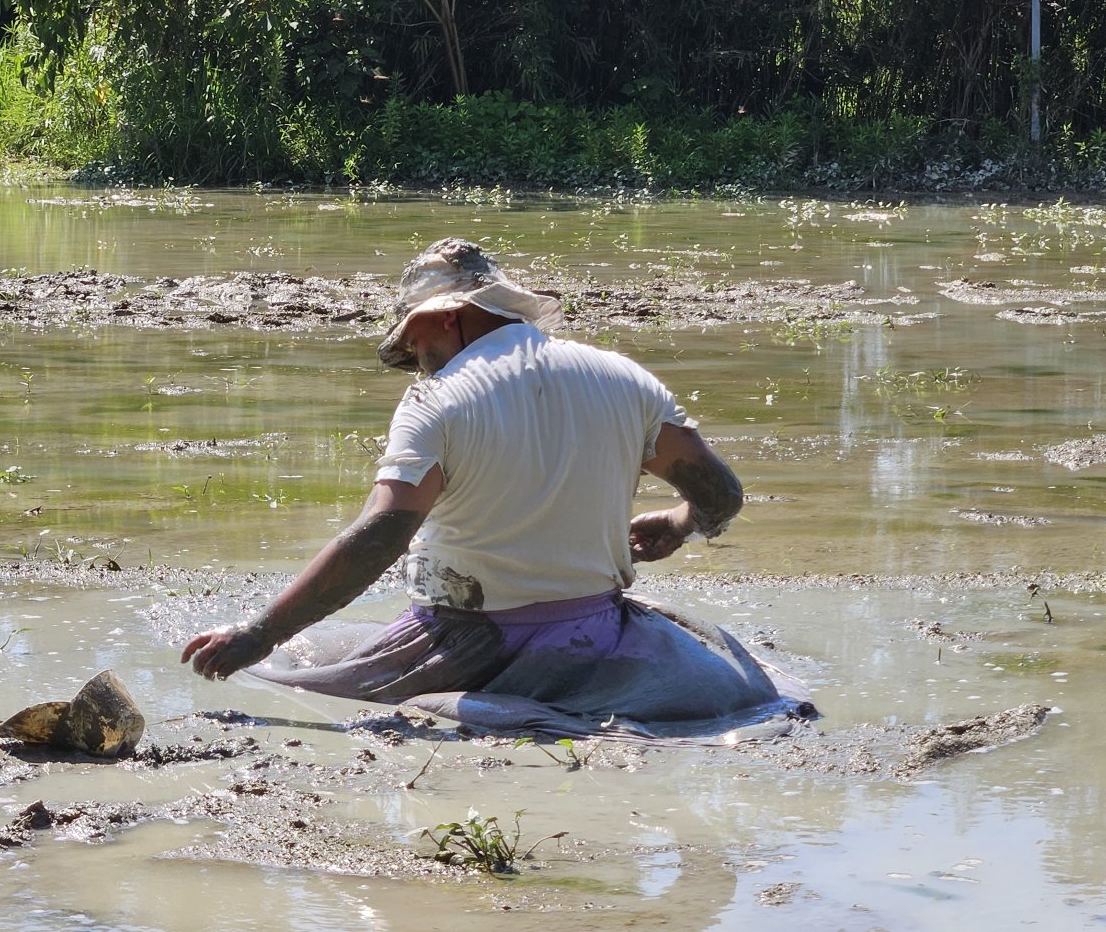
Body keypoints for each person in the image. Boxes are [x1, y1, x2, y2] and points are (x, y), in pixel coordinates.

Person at [182, 238, 797, 735]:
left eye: (413, 341)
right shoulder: (624, 378)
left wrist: (261, 633)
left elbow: (381, 535)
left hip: (464, 641)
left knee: (297, 663)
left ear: (445, 318)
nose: (415, 357)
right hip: (595, 637)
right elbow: (722, 496)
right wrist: (680, 523)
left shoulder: (437, 401)